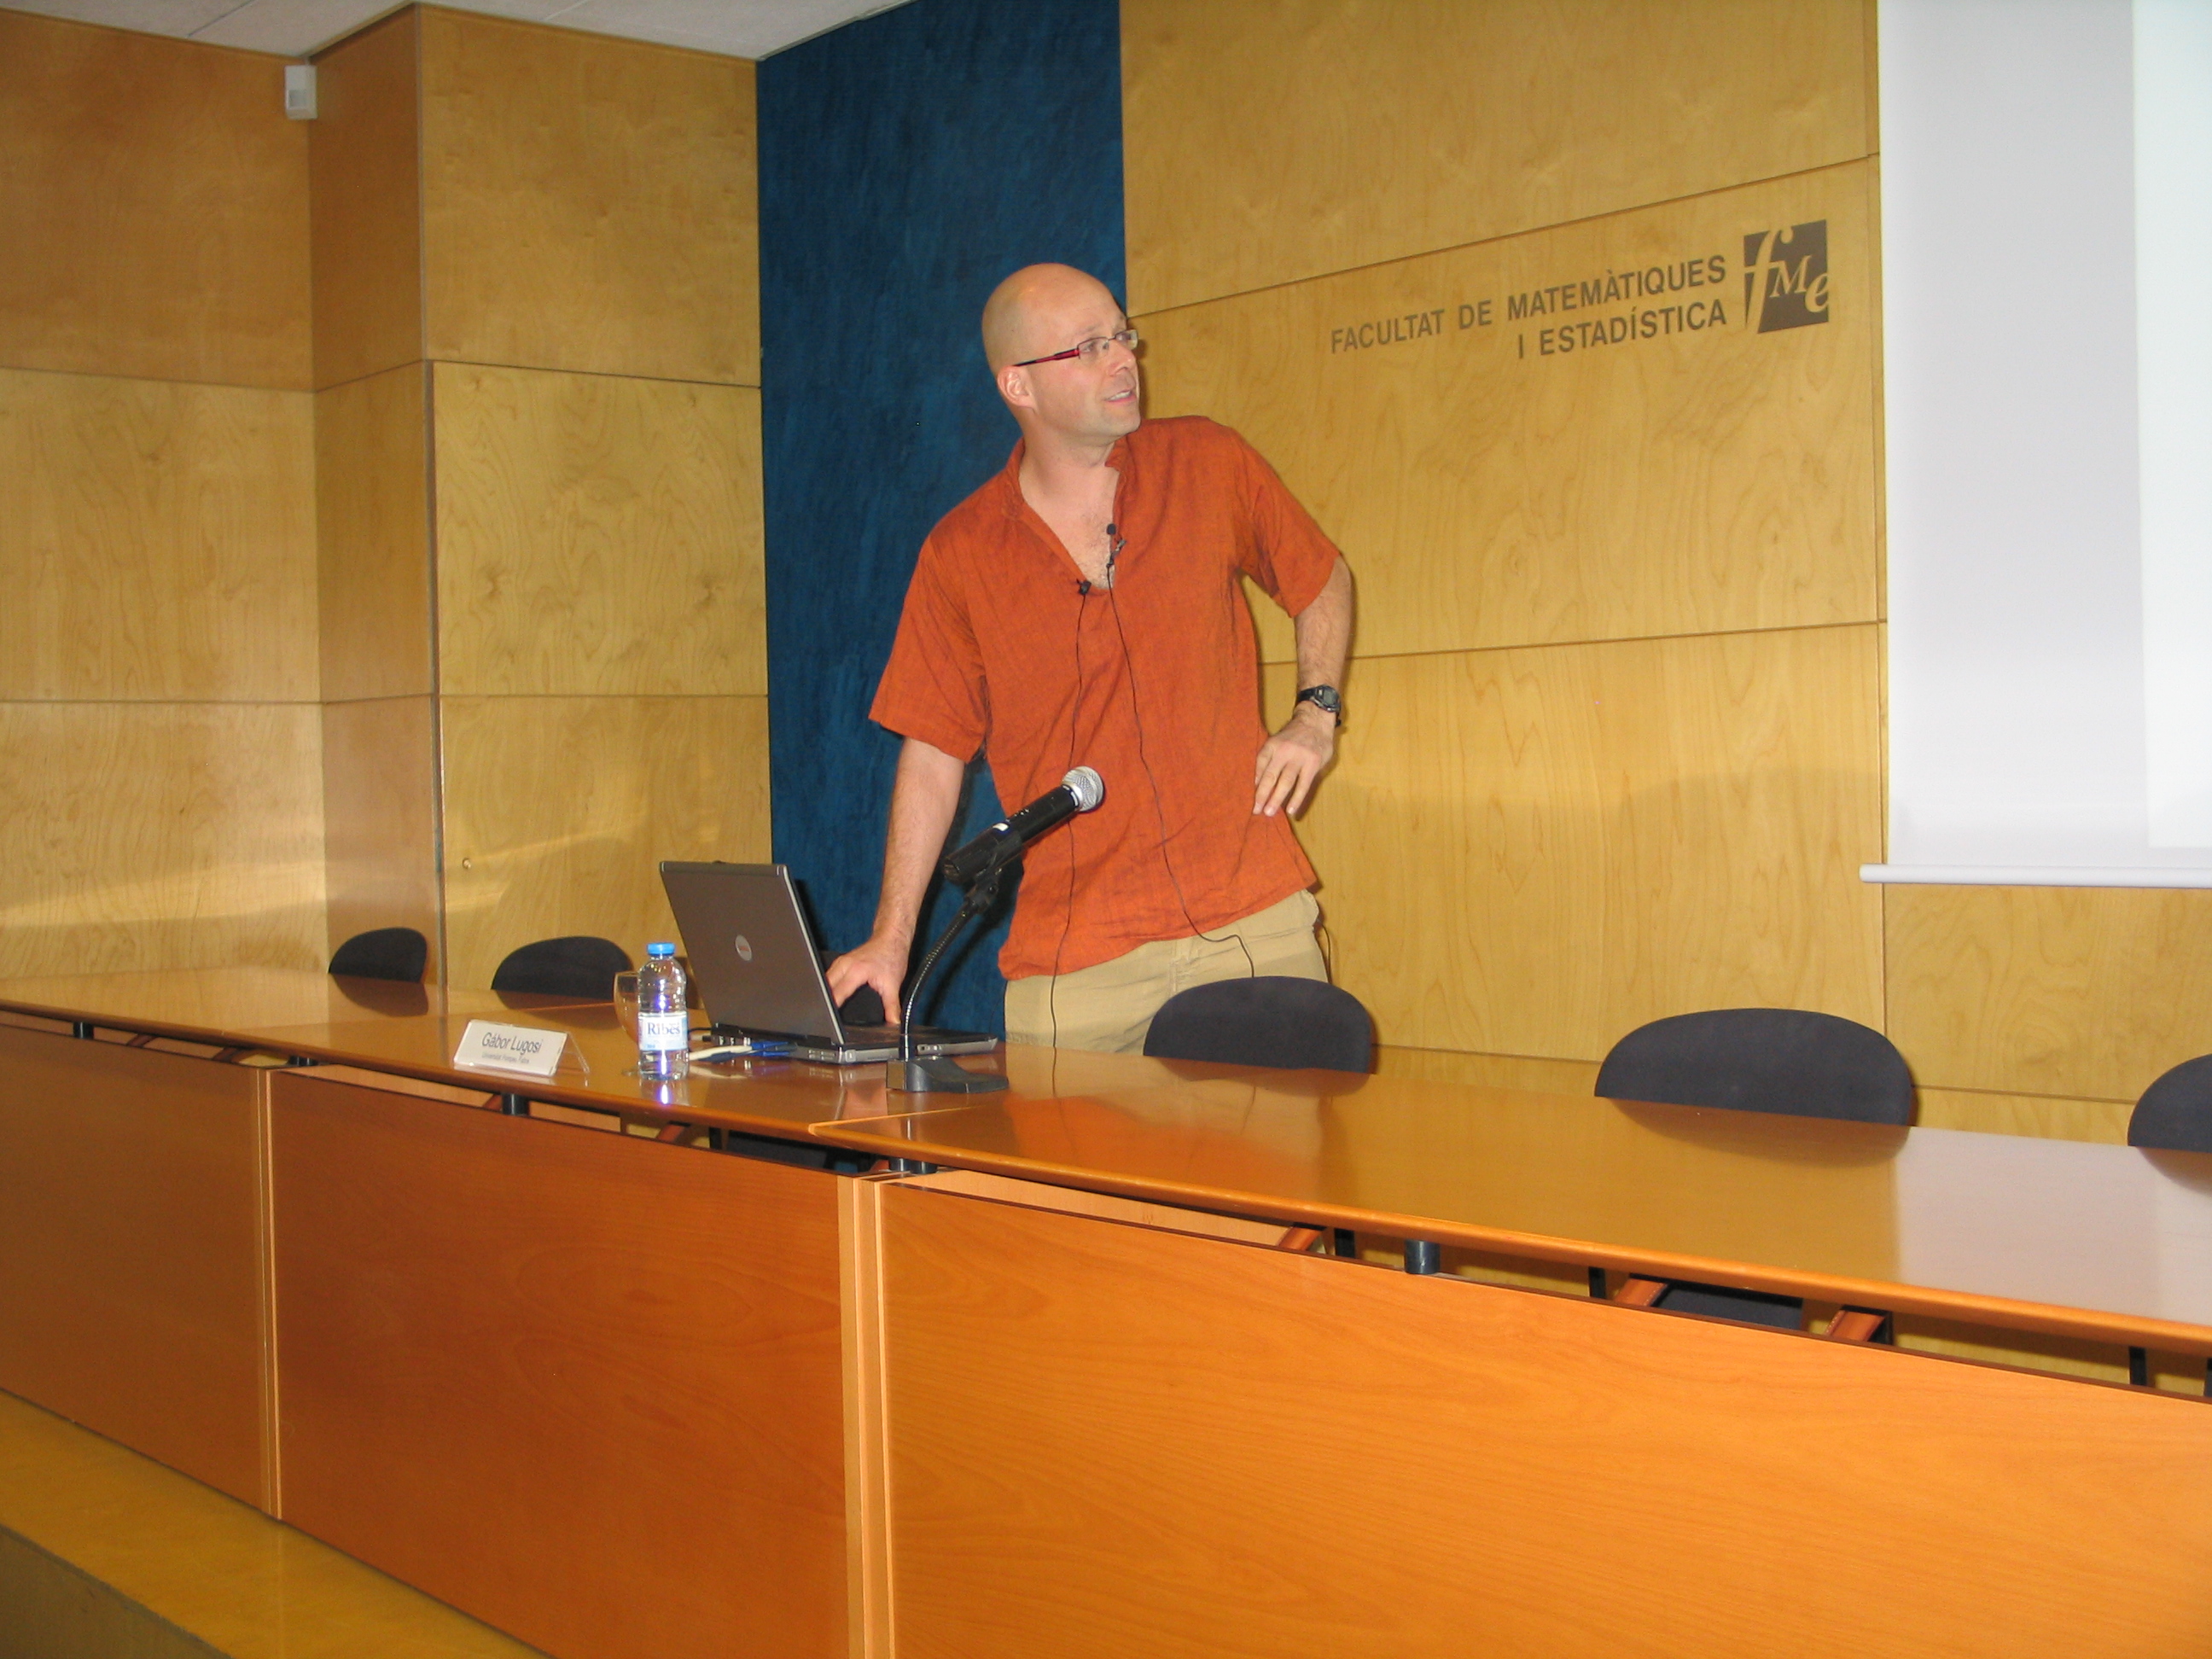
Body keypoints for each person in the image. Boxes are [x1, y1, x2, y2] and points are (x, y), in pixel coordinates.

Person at [825, 263, 1354, 1053]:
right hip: (1076, 961)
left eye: (1122, 336)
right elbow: (933, 751)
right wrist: (892, 938)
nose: (1123, 361)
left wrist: (1316, 714)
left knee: (1289, 1136)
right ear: (1019, 385)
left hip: (1250, 922)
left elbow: (1321, 578)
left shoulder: (1207, 462)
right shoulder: (961, 553)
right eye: (1089, 347)